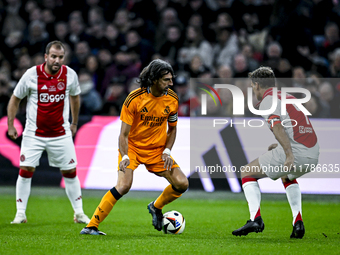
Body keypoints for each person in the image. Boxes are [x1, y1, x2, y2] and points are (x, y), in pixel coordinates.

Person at [80, 59, 189, 235]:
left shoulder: (172, 99)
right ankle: (91, 226)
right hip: (132, 149)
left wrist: (167, 151)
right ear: (154, 80)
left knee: (182, 183)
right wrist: (124, 156)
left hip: (157, 152)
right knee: (123, 186)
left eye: (171, 79)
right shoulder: (134, 99)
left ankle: (156, 206)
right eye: (166, 80)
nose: (171, 83)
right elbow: (123, 135)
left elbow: (173, 129)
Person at [7, 40, 90, 225]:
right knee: (26, 169)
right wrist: (11, 125)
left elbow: (75, 98)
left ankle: (79, 213)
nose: (57, 60)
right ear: (46, 57)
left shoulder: (70, 75)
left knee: (70, 171)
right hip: (33, 134)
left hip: (60, 133)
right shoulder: (31, 74)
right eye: (53, 56)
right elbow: (15, 99)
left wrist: (74, 122)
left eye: (60, 57)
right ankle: (20, 214)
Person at [232, 66, 319, 238]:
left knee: (247, 172)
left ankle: (255, 219)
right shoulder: (288, 97)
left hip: (296, 153)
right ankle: (298, 222)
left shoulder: (267, 101)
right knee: (287, 176)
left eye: (252, 86)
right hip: (313, 153)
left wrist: (288, 153)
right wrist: (280, 146)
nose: (252, 90)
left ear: (257, 85)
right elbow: (296, 127)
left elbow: (276, 125)